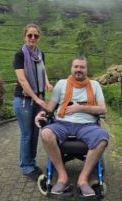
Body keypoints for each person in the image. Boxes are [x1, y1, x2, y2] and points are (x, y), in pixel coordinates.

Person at [35, 56, 109, 197]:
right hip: (62, 123)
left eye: (82, 67)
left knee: (103, 138)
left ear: (86, 69)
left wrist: (80, 108)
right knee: (45, 133)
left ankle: (83, 179)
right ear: (71, 68)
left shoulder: (95, 85)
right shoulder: (62, 84)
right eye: (76, 66)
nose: (78, 70)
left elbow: (102, 109)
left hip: (87, 125)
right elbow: (50, 107)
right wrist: (41, 113)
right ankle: (62, 177)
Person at [13, 23, 53, 180]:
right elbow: (22, 80)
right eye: (30, 35)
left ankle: (32, 162)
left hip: (38, 99)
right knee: (27, 134)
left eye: (35, 35)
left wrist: (47, 83)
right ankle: (26, 166)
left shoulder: (40, 54)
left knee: (36, 133)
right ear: (24, 37)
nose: (33, 38)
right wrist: (36, 98)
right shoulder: (20, 55)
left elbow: (43, 71)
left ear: (38, 37)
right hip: (24, 100)